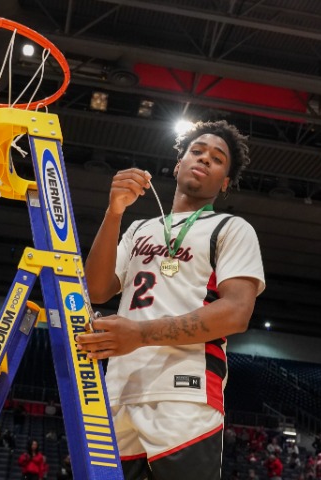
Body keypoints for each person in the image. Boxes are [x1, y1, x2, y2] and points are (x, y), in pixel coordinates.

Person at [81, 120, 265, 480]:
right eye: (197, 151)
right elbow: (97, 289)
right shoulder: (138, 229)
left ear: (225, 183)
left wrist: (141, 334)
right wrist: (114, 212)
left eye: (217, 159)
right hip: (119, 389)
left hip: (185, 390)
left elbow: (236, 312)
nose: (205, 158)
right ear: (178, 164)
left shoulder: (231, 228)